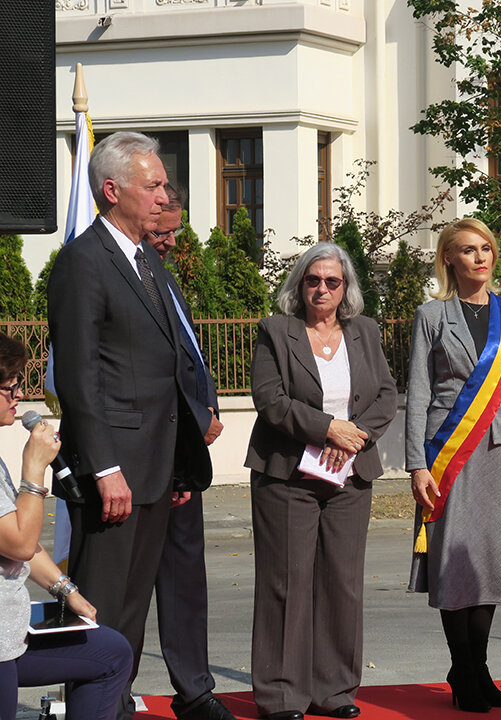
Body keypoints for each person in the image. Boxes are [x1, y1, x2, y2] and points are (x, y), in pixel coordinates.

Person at [46, 132, 218, 720]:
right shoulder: (82, 263)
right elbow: (78, 377)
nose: (163, 194)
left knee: (134, 611)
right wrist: (105, 467)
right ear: (113, 190)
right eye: (153, 185)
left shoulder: (146, 259)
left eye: (163, 183)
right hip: (114, 472)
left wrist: (179, 455)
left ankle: (115, 707)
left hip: (156, 468)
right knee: (104, 609)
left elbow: (170, 362)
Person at [246, 243, 397, 720]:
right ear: (300, 284)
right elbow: (270, 400)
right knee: (287, 584)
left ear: (346, 287)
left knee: (342, 584)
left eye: (333, 281)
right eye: (314, 280)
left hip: (349, 476)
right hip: (287, 473)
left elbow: (387, 394)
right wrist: (325, 428)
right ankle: (282, 696)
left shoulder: (365, 332)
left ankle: (334, 692)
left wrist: (354, 437)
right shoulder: (276, 331)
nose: (323, 289)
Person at [407, 218, 501, 713]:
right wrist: (417, 465)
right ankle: (464, 671)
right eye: (468, 250)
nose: (480, 257)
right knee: (453, 564)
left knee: (486, 563)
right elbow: (419, 393)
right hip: (448, 456)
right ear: (449, 258)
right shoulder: (431, 315)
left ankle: (475, 669)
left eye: (485, 248)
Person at [0, 333, 133, 720]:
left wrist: (66, 590)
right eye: (10, 387)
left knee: (111, 652)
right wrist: (34, 469)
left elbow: (14, 543)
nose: (20, 396)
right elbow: (22, 543)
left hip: (12, 632)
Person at [145, 184, 235, 720]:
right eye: (163, 232)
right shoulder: (115, 276)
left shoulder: (165, 278)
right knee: (128, 593)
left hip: (182, 465)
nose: (172, 242)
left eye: (176, 231)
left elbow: (189, 364)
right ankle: (112, 689)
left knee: (185, 587)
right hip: (144, 465)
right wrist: (195, 425)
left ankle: (195, 691)